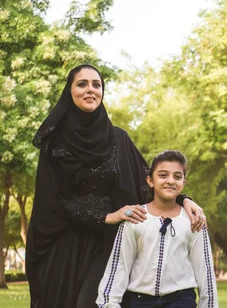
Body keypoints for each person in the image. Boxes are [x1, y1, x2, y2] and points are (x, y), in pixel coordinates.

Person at [26, 64, 205, 308]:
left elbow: (149, 183)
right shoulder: (55, 142)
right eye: (82, 84)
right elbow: (53, 199)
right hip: (64, 242)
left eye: (96, 85)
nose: (91, 90)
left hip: (107, 242)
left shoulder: (117, 138)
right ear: (70, 91)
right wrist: (105, 216)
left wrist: (184, 199)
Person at [96, 150, 218, 308]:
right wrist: (109, 303)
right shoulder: (135, 218)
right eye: (163, 175)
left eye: (177, 176)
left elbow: (205, 271)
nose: (170, 181)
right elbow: (120, 265)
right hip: (138, 300)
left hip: (180, 300)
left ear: (183, 183)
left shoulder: (193, 220)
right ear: (150, 181)